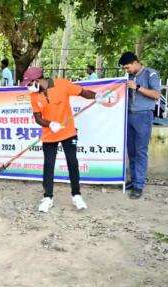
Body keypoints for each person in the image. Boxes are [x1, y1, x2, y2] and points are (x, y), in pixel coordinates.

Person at [22, 67, 108, 213]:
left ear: (37, 80)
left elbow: (82, 92)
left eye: (29, 83)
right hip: (50, 134)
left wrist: (96, 96)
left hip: (68, 132)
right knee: (48, 165)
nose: (28, 87)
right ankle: (48, 197)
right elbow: (37, 118)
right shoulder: (34, 96)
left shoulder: (62, 84)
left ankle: (76, 195)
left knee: (72, 162)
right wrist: (50, 124)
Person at [118, 52, 161, 199]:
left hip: (143, 116)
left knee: (141, 151)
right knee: (131, 151)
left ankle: (139, 185)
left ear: (135, 62)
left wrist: (137, 87)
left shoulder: (150, 74)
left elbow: (156, 95)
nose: (126, 70)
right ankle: (134, 180)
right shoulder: (128, 77)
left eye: (127, 67)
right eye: (125, 68)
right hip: (129, 115)